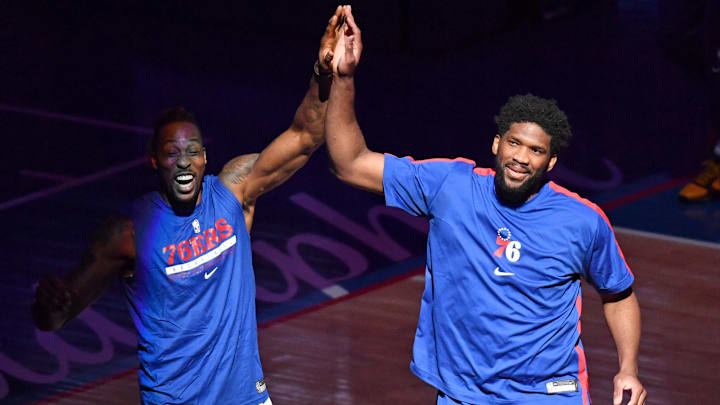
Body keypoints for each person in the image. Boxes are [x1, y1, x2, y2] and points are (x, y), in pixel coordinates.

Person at [325, 6, 646, 405]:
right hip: (465, 393)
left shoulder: (582, 221)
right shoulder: (451, 186)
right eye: (514, 143)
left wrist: (627, 369)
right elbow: (350, 163)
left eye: (535, 151)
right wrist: (343, 77)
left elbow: (618, 294)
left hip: (546, 393)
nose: (521, 157)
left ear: (551, 163)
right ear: (496, 144)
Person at [31, 6, 345, 404]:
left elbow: (305, 135)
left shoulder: (234, 192)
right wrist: (47, 308)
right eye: (171, 152)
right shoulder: (129, 235)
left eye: (192, 151)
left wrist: (324, 71)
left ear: (205, 158)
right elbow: (57, 316)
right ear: (153, 160)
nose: (183, 160)